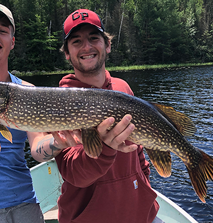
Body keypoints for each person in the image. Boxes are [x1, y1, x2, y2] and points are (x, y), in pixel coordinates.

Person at [0, 3, 135, 223]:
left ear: (12, 41)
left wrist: (58, 144)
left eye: (2, 30)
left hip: (25, 205)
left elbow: (38, 149)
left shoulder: (28, 91)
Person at [52, 9, 161, 223]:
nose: (86, 47)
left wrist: (144, 188)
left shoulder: (123, 87)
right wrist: (105, 149)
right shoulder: (57, 101)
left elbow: (138, 149)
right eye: (76, 42)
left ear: (107, 45)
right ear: (67, 52)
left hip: (140, 214)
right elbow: (75, 174)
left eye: (94, 38)